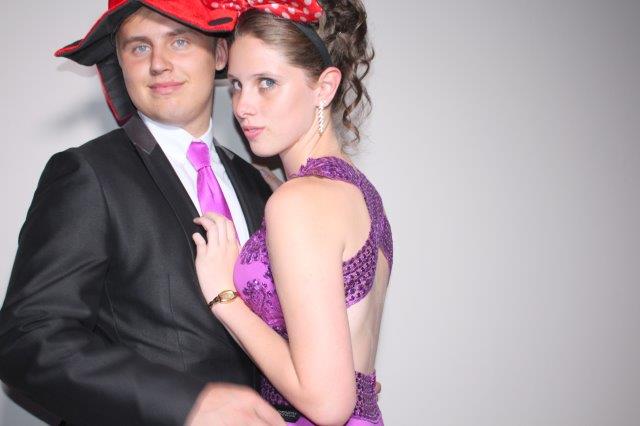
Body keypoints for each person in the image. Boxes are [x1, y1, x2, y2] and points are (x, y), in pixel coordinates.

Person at [0, 1, 284, 425]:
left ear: (220, 54)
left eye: (179, 41)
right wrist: (186, 404)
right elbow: (28, 339)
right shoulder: (87, 173)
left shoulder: (258, 185)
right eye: (139, 47)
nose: (158, 64)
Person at [191, 1, 392, 425]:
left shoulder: (299, 202)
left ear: (324, 87)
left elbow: (328, 405)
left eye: (267, 83)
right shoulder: (358, 192)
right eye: (236, 85)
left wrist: (224, 297)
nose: (242, 106)